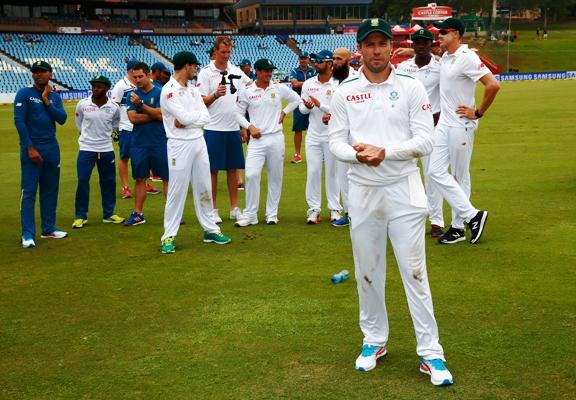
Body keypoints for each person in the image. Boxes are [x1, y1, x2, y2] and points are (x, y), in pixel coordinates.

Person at [328, 18, 453, 386]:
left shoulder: (411, 86)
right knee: (368, 272)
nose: (377, 51)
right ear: (360, 50)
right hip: (363, 191)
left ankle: (431, 352)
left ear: (391, 49)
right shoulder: (345, 90)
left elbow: (425, 140)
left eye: (383, 44)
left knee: (415, 273)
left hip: (404, 189)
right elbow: (336, 140)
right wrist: (356, 155)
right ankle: (374, 340)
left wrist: (386, 152)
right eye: (370, 45)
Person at [428, 17, 500, 244]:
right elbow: (431, 54)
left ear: (457, 34)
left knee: (460, 175)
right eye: (438, 33)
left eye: (444, 32)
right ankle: (472, 215)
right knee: (434, 172)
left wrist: (478, 112)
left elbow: (493, 85)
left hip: (462, 124)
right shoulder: (447, 57)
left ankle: (458, 227)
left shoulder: (468, 57)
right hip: (444, 125)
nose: (439, 36)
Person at [159, 51, 231, 253]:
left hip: (198, 141)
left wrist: (189, 120)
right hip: (179, 144)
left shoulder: (192, 90)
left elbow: (204, 117)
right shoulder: (169, 91)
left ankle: (210, 230)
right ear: (186, 66)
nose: (196, 70)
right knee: (177, 190)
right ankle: (168, 236)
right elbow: (184, 117)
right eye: (194, 66)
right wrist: (190, 119)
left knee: (204, 187)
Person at [234, 59, 301, 227]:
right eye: (265, 71)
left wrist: (285, 112)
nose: (269, 74)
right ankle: (250, 215)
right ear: (257, 71)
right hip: (257, 140)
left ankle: (272, 214)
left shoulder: (277, 87)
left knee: (275, 177)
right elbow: (237, 113)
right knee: (251, 175)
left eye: (270, 70)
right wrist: (249, 126)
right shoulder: (247, 91)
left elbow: (296, 99)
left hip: (276, 138)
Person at [197, 36, 252, 224]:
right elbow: (201, 100)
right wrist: (215, 95)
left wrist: (243, 124)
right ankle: (212, 209)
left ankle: (234, 208)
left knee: (232, 168)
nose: (226, 56)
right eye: (223, 52)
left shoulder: (236, 71)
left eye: (229, 52)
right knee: (212, 171)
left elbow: (250, 87)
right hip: (213, 127)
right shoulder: (205, 73)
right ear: (215, 51)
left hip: (232, 128)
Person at [396, 28, 444, 238]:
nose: (421, 45)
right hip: (406, 128)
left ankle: (436, 221)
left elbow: (448, 94)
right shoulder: (404, 68)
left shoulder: (440, 67)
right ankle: (407, 216)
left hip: (432, 127)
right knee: (404, 172)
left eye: (425, 42)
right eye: (418, 42)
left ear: (431, 44)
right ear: (413, 44)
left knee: (432, 174)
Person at [14, 60, 68, 248]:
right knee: (29, 192)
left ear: (50, 74)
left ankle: (48, 229)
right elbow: (19, 122)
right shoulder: (24, 93)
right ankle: (28, 234)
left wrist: (47, 101)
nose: (38, 74)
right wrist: (29, 148)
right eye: (35, 72)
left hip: (52, 148)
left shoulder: (54, 96)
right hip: (32, 148)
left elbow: (62, 119)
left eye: (42, 71)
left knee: (50, 190)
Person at [72, 75, 125, 229]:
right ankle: (80, 215)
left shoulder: (114, 107)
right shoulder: (83, 104)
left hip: (106, 149)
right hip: (86, 149)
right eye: (94, 86)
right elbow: (79, 124)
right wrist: (87, 138)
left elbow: (116, 124)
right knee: (83, 180)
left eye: (99, 86)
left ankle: (108, 214)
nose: (95, 89)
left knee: (108, 182)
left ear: (107, 89)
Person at [299, 49, 343, 224]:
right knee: (313, 171)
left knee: (333, 173)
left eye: (319, 61)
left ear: (329, 63)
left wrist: (322, 106)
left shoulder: (338, 84)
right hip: (314, 135)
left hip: (333, 136)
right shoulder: (308, 84)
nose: (315, 64)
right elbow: (302, 109)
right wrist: (309, 107)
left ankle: (335, 209)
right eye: (314, 61)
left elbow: (340, 111)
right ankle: (314, 209)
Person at [125, 62, 169, 226]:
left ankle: (173, 213)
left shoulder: (160, 92)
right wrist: (154, 113)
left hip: (159, 141)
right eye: (134, 77)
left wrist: (142, 106)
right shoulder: (132, 95)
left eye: (140, 76)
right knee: (140, 178)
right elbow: (133, 118)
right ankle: (138, 213)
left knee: (167, 178)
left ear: (148, 74)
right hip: (139, 143)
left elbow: (162, 115)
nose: (137, 80)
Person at [329, 47, 358, 227]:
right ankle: (349, 212)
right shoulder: (334, 81)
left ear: (348, 60)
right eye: (333, 59)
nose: (335, 62)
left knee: (357, 174)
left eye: (339, 59)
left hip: (356, 135)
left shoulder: (357, 79)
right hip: (340, 135)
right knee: (342, 176)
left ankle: (361, 211)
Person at [110, 60, 138, 199]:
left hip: (140, 127)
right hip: (126, 127)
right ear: (131, 70)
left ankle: (142, 184)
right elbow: (113, 107)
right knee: (124, 157)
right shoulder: (121, 85)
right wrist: (115, 128)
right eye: (137, 69)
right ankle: (125, 187)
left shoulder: (141, 84)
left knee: (140, 157)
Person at [289, 52, 316, 164]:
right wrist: (308, 83)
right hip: (299, 102)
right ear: (298, 59)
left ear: (308, 60)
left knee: (314, 128)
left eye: (305, 58)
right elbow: (294, 84)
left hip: (312, 103)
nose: (303, 60)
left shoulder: (313, 71)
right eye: (301, 58)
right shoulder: (294, 71)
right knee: (298, 129)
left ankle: (317, 154)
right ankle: (297, 154)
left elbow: (316, 84)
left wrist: (302, 84)